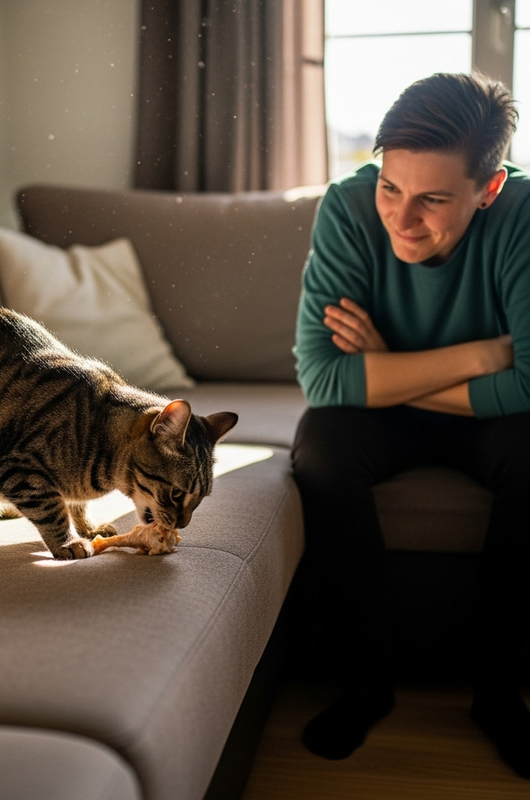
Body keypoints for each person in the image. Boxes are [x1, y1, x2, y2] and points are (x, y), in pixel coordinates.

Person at [291, 72, 530, 779]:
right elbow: (324, 379)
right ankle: (367, 683)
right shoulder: (345, 207)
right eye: (390, 186)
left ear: (485, 191)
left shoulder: (521, 213)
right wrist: (478, 356)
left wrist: (392, 366)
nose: (401, 217)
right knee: (324, 446)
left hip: (476, 418)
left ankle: (497, 692)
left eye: (432, 199)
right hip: (409, 408)